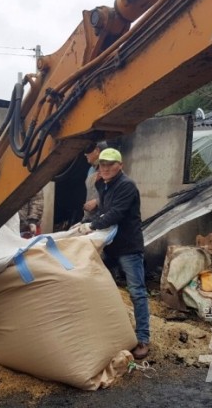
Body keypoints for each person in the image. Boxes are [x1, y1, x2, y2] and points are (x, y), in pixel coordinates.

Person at [77, 148, 150, 359]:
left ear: (121, 165)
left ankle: (143, 338)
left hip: (128, 247)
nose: (106, 168)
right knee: (97, 284)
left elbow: (115, 214)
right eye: (102, 165)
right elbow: (102, 210)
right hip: (110, 246)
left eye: (110, 164)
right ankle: (105, 331)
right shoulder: (105, 185)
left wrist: (90, 226)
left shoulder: (126, 186)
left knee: (136, 291)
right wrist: (81, 224)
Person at [82, 141, 107, 222]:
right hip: (90, 218)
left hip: (103, 219)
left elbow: (116, 195)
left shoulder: (110, 172)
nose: (85, 154)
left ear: (97, 151)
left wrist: (97, 202)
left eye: (88, 151)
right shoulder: (91, 170)